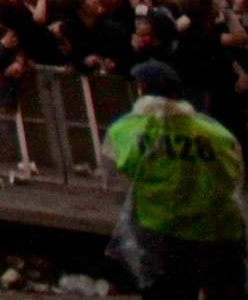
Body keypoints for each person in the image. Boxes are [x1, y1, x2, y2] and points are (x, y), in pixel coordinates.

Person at [105, 60, 245, 300]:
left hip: (163, 231)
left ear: (141, 89)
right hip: (219, 231)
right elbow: (236, 176)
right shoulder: (218, 134)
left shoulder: (126, 130)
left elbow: (114, 176)